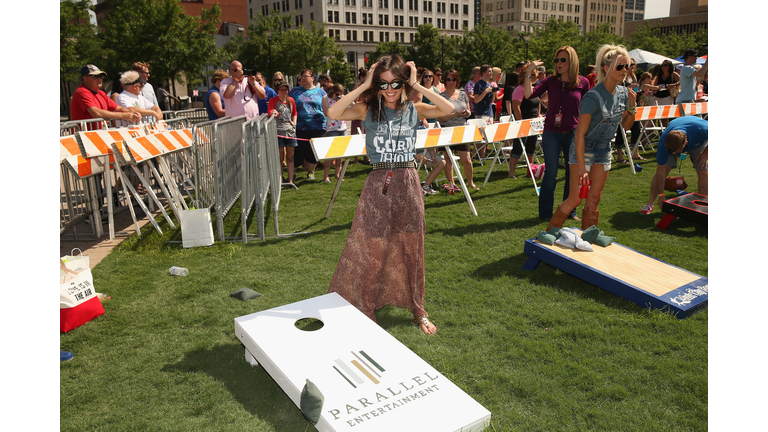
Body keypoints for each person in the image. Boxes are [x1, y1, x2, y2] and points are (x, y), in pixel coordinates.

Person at [325, 54, 454, 335]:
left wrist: (417, 84)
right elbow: (333, 114)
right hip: (377, 183)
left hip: (408, 182)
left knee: (412, 246)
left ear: (404, 81)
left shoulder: (414, 109)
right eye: (382, 84)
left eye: (396, 83)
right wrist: (364, 85)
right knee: (373, 248)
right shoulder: (367, 109)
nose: (390, 89)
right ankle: (366, 308)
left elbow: (448, 108)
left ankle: (417, 309)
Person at [546, 44, 637, 231]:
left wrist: (633, 107)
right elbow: (579, 135)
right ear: (605, 68)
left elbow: (626, 126)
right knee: (575, 198)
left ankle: (589, 235)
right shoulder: (593, 97)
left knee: (595, 198)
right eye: (620, 67)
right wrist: (581, 168)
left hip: (604, 149)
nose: (624, 71)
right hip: (584, 148)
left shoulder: (623, 94)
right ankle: (549, 233)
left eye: (626, 66)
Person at [524, 46, 591, 222]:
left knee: (572, 174)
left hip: (574, 133)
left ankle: (570, 211)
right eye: (557, 60)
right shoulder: (550, 81)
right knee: (551, 174)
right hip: (551, 133)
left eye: (563, 60)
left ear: (572, 61)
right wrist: (528, 73)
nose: (559, 63)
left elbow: (587, 108)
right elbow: (529, 94)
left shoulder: (583, 82)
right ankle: (545, 214)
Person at [640, 116, 707, 214]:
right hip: (678, 137)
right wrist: (661, 195)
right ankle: (650, 203)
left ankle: (702, 205)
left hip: (698, 140)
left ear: (686, 144)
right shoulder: (664, 143)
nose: (674, 154)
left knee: (703, 169)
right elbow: (661, 171)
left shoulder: (703, 129)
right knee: (664, 169)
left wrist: (706, 153)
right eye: (672, 152)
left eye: (676, 152)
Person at [436, 69, 474, 192]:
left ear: (457, 80)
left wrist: (467, 113)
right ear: (445, 81)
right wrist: (454, 114)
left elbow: (468, 111)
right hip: (446, 130)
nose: (451, 82)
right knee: (448, 159)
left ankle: (470, 183)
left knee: (466, 159)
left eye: (454, 79)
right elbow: (439, 117)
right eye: (448, 79)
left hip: (461, 130)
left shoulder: (463, 94)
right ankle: (451, 184)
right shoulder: (441, 97)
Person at [289, 68, 329, 180]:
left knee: (313, 151)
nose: (303, 78)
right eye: (302, 76)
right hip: (299, 126)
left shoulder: (321, 92)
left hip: (318, 127)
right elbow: (288, 105)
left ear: (312, 78)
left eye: (306, 76)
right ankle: (293, 174)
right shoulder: (294, 91)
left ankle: (311, 172)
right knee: (298, 151)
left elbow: (327, 107)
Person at [70, 64, 141, 127]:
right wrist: (123, 115)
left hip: (96, 135)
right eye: (95, 76)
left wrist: (132, 113)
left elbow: (118, 108)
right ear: (85, 78)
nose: (100, 79)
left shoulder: (100, 93)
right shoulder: (82, 92)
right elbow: (96, 112)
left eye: (101, 76)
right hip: (84, 137)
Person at [509, 70, 541, 179]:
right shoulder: (519, 89)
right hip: (523, 122)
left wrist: (538, 115)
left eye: (533, 74)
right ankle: (511, 172)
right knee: (518, 146)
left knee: (531, 146)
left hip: (534, 123)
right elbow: (516, 107)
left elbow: (538, 103)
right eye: (529, 74)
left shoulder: (533, 88)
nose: (532, 76)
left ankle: (530, 170)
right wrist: (520, 121)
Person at [268, 82, 298, 186]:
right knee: (280, 158)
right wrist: (273, 112)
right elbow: (270, 110)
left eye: (286, 90)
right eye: (282, 90)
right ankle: (280, 180)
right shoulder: (273, 100)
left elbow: (294, 113)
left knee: (290, 157)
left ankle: (290, 180)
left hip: (290, 131)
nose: (284, 92)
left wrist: (294, 123)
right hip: (278, 131)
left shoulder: (291, 100)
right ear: (277, 91)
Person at [615, 58, 644, 163]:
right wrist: (629, 87)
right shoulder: (621, 76)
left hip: (633, 104)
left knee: (637, 128)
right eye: (629, 65)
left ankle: (635, 153)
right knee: (622, 130)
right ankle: (620, 156)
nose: (631, 67)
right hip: (622, 106)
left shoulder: (634, 76)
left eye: (633, 64)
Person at [322, 83, 348, 183]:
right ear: (332, 91)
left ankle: (337, 174)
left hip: (343, 128)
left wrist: (344, 99)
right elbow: (325, 112)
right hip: (332, 129)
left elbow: (353, 105)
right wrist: (337, 104)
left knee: (340, 153)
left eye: (340, 94)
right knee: (330, 154)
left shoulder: (342, 98)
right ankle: (326, 177)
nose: (339, 96)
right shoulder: (325, 98)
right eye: (337, 94)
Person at [473, 64, 497, 159]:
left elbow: (492, 101)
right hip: (481, 113)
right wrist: (485, 92)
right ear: (484, 73)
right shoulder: (478, 84)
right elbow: (476, 100)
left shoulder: (490, 84)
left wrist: (494, 93)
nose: (491, 73)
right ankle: (478, 155)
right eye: (489, 71)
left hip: (489, 112)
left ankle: (480, 155)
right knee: (480, 136)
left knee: (486, 135)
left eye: (491, 71)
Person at [351, 68, 369, 165]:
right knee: (357, 136)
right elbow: (352, 99)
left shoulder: (369, 86)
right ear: (362, 77)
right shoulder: (358, 86)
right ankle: (356, 159)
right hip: (358, 115)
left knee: (366, 136)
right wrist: (357, 105)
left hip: (366, 114)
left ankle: (365, 156)